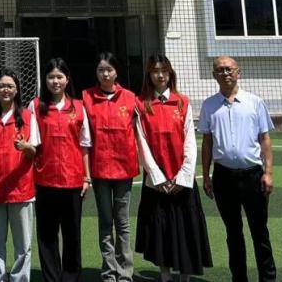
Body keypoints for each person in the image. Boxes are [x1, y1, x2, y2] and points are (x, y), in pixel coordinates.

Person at [134, 55, 212, 282]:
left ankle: (184, 277)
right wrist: (157, 177)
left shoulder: (182, 102)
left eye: (164, 71)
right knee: (161, 230)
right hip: (156, 183)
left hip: (182, 182)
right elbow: (142, 142)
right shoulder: (141, 104)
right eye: (155, 71)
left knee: (185, 230)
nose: (160, 75)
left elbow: (190, 141)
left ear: (170, 74)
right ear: (149, 75)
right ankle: (165, 276)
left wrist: (183, 177)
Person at [199, 56, 276, 282]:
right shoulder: (209, 105)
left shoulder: (255, 102)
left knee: (259, 232)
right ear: (214, 75)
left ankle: (268, 279)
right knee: (233, 233)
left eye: (229, 69)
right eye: (220, 70)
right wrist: (206, 176)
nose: (225, 73)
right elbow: (207, 142)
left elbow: (265, 139)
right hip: (223, 176)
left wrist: (268, 173)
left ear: (238, 72)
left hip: (253, 175)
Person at [29, 58, 91, 282]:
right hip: (44, 180)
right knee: (47, 235)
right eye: (51, 77)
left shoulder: (79, 107)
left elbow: (84, 144)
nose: (55, 81)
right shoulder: (36, 106)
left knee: (72, 234)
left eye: (59, 77)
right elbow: (32, 144)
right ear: (45, 80)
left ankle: (71, 277)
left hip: (73, 181)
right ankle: (51, 278)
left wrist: (87, 177)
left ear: (67, 79)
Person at [82, 52, 138, 282]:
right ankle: (108, 272)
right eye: (101, 70)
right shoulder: (86, 97)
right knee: (105, 222)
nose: (105, 74)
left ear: (116, 72)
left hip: (124, 168)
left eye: (109, 70)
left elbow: (140, 131)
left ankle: (125, 273)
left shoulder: (130, 98)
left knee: (122, 222)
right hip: (99, 169)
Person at [0, 69, 40, 282]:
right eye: (2, 86)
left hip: (21, 189)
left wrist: (26, 147)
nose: (6, 90)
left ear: (17, 90)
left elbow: (35, 151)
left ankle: (19, 279)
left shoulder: (28, 117)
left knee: (23, 245)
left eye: (10, 86)